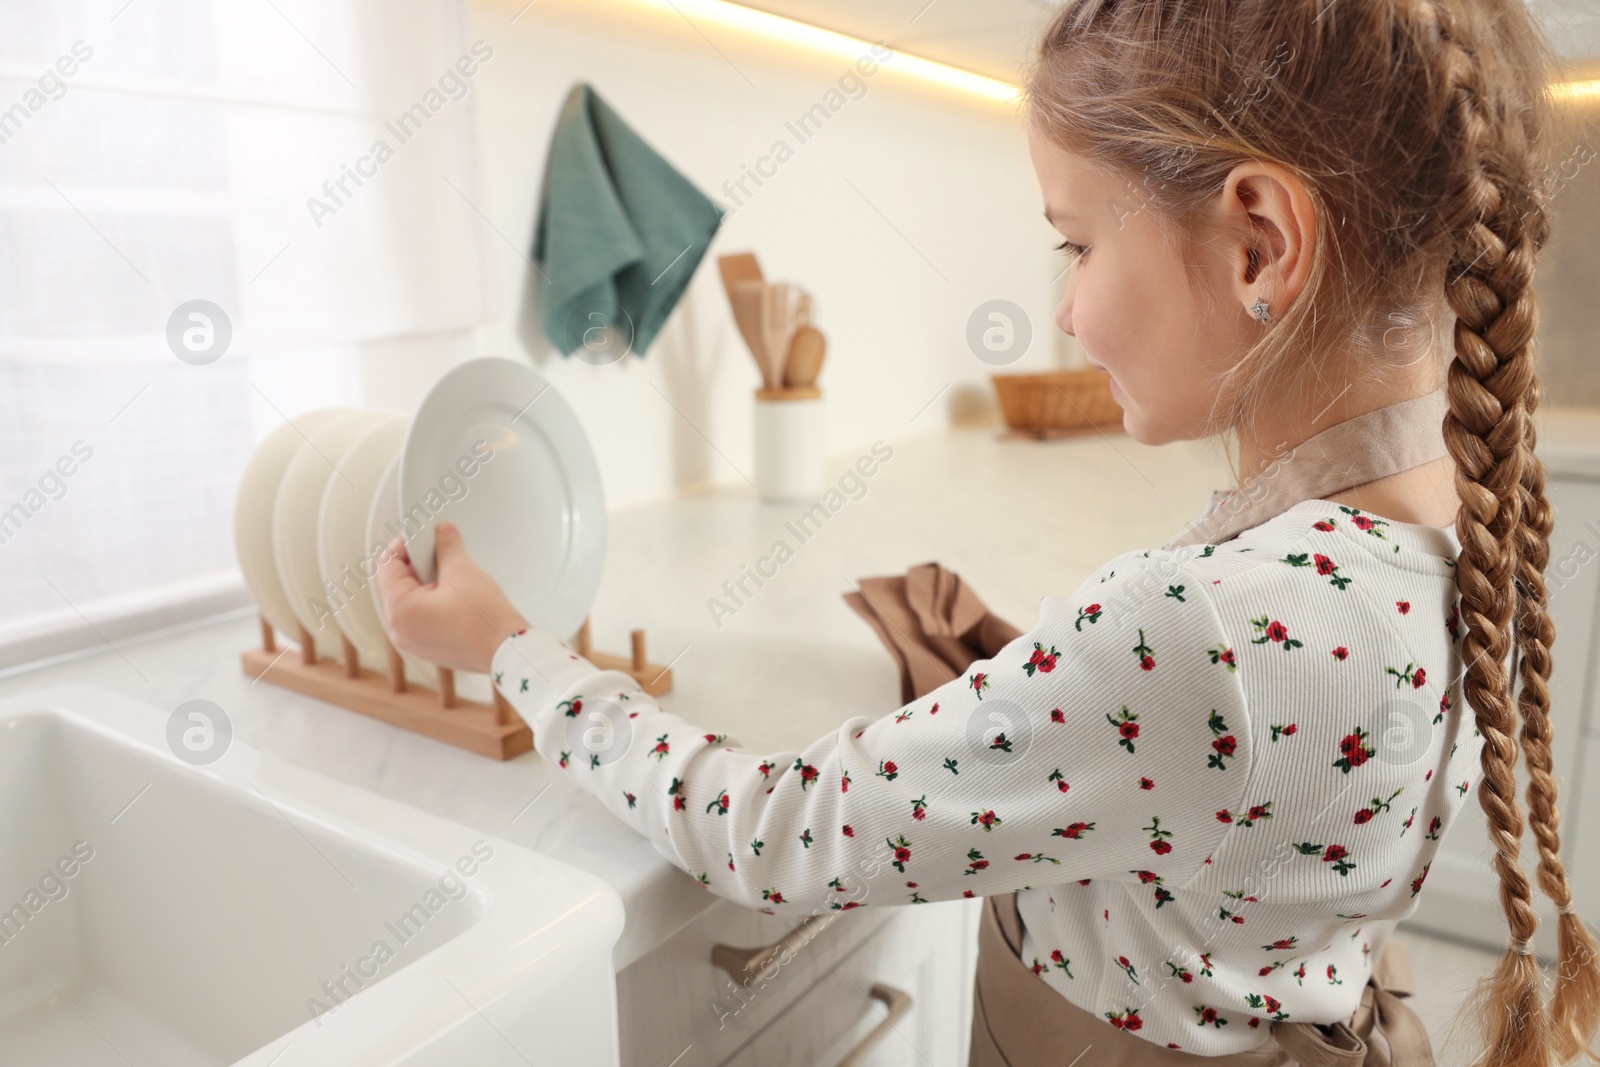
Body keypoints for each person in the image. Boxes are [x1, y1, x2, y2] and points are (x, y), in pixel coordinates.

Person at [377, 1, 1600, 1062]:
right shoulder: (1455, 512)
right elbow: (1244, 784)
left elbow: (769, 830)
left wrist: (513, 649)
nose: (1063, 307)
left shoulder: (1199, 626)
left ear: (1258, 241)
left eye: (1074, 241)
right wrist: (1051, 683)